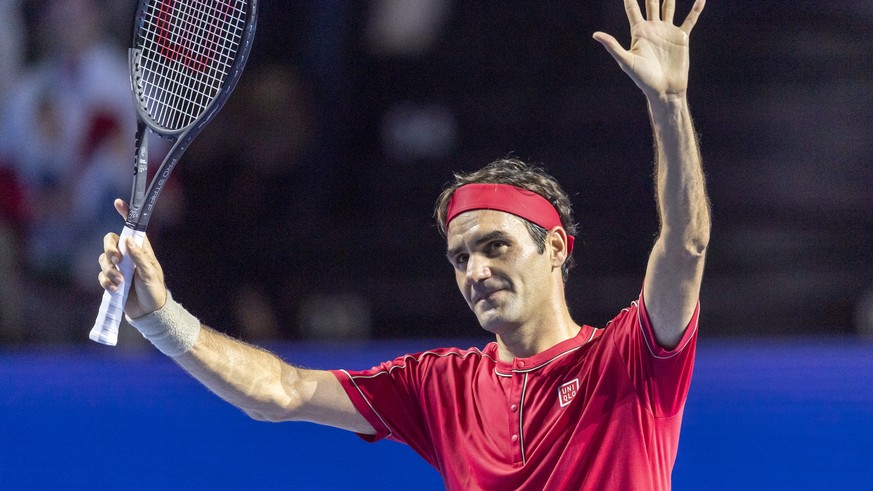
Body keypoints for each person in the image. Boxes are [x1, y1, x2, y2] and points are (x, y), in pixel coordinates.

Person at [97, 0, 710, 488]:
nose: (475, 270)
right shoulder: (440, 387)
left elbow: (685, 244)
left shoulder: (631, 360)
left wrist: (670, 104)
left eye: (496, 246)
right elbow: (280, 393)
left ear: (555, 247)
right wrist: (159, 318)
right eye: (461, 257)